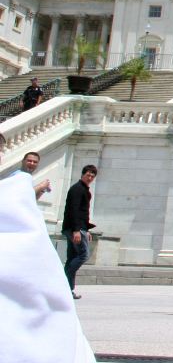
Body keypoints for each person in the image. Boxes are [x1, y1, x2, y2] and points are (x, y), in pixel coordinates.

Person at [0, 133, 97, 362]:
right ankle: (68, 282)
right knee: (75, 259)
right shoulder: (76, 189)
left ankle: (68, 282)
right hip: (72, 231)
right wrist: (76, 229)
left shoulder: (17, 186)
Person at [63, 164, 99, 300]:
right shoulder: (78, 189)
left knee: (72, 257)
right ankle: (64, 282)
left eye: (92, 176)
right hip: (74, 229)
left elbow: (83, 213)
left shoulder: (82, 189)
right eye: (88, 175)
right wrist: (77, 230)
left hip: (76, 228)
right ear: (82, 174)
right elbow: (74, 210)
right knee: (83, 255)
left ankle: (66, 289)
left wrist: (86, 229)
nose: (90, 178)